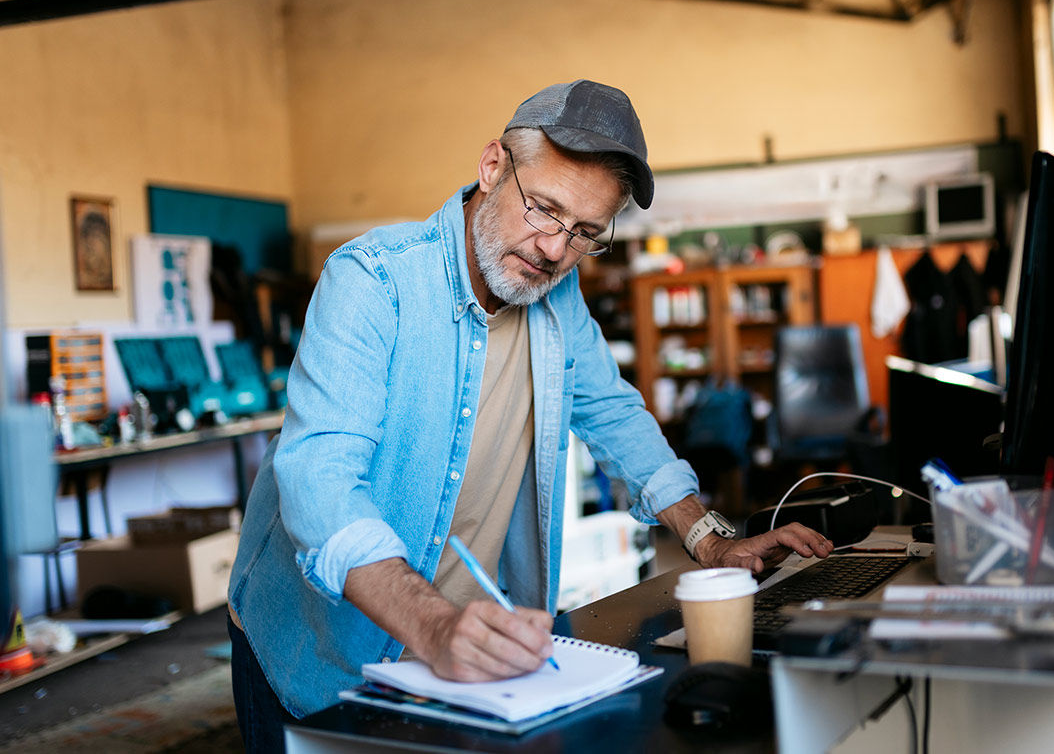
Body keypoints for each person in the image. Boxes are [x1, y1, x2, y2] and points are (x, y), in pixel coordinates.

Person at [226, 80, 833, 752]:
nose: (553, 250)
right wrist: (431, 625)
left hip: (458, 650)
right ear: (492, 167)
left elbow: (611, 410)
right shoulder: (372, 282)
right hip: (318, 646)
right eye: (544, 210)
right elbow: (319, 479)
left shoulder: (557, 293)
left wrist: (709, 539)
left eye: (584, 234)